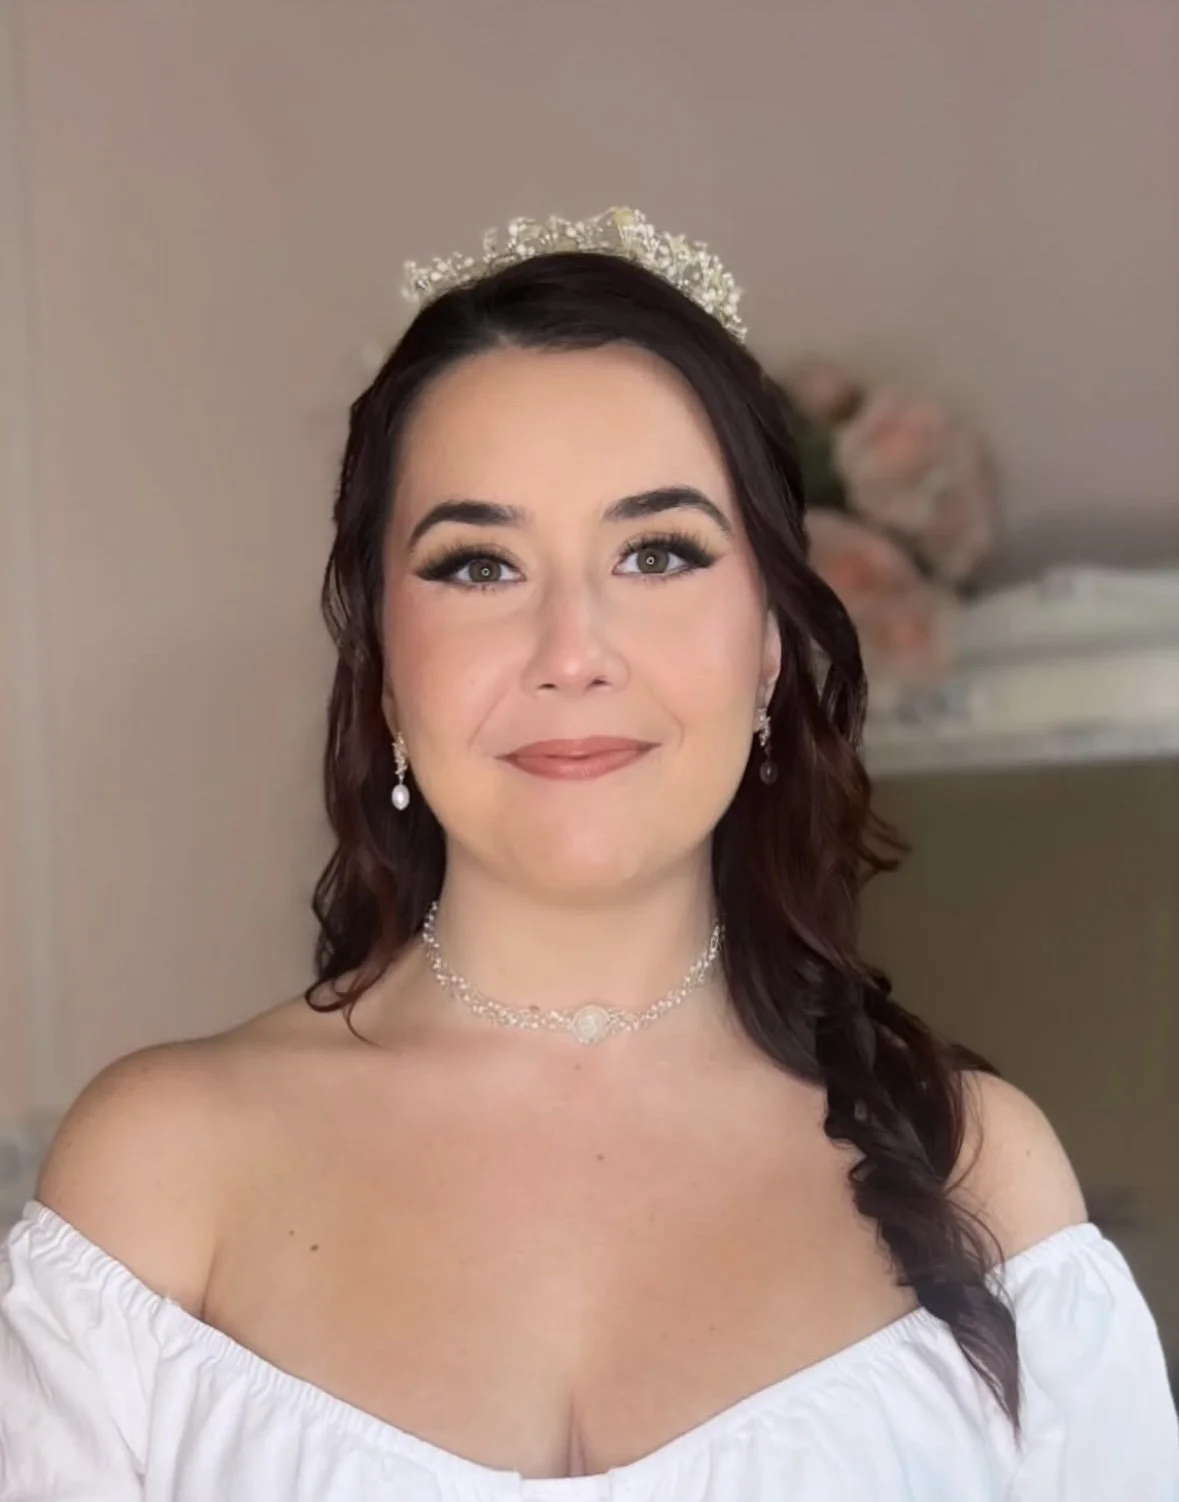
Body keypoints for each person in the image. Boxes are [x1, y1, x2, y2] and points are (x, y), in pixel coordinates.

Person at [1, 208, 1176, 1501]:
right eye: (478, 564)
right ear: (384, 666)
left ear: (771, 645)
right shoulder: (161, 1177)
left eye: (657, 551)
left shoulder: (980, 1178)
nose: (572, 648)